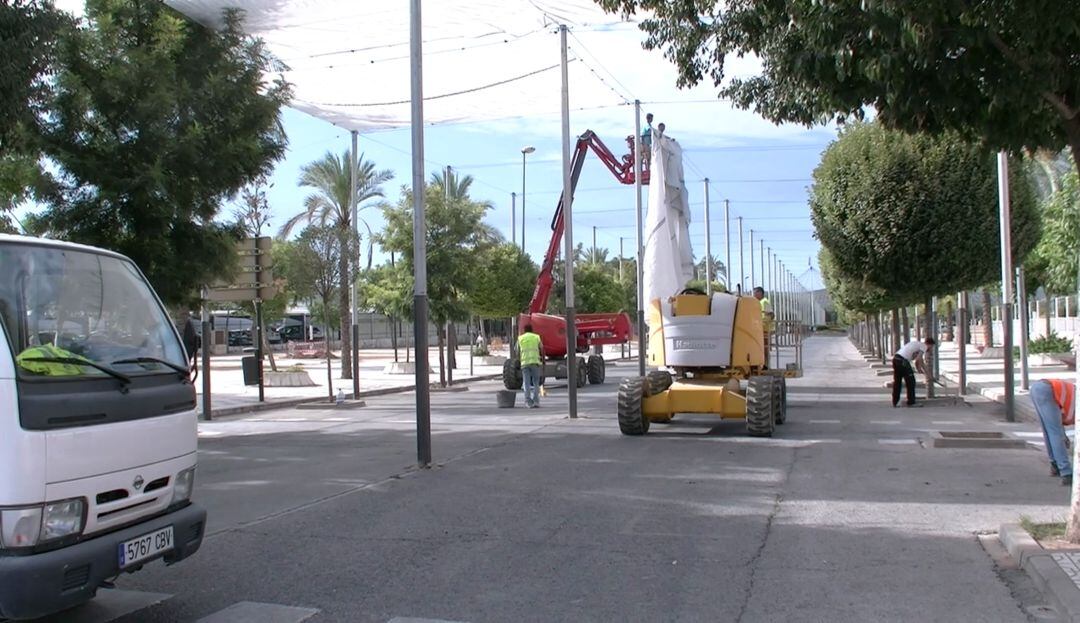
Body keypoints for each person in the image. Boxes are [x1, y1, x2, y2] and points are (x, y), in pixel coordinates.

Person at [1030, 379, 1075, 486]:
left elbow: (1060, 418)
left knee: (1048, 430)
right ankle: (1066, 472)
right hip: (1048, 390)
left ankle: (1055, 465)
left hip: (1038, 388)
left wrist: (1063, 435)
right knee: (1055, 432)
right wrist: (1062, 436)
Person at [892, 337, 935, 407]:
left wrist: (919, 369)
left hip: (896, 359)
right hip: (903, 361)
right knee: (911, 382)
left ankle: (895, 402)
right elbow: (919, 360)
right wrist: (928, 374)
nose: (931, 349)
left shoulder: (917, 344)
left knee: (897, 382)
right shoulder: (924, 346)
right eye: (932, 347)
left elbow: (917, 361)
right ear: (930, 344)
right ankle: (911, 402)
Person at [516, 323, 544, 408]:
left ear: (524, 330)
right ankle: (536, 401)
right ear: (532, 330)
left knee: (526, 383)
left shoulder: (520, 338)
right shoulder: (536, 337)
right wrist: (542, 359)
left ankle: (528, 402)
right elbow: (542, 348)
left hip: (525, 363)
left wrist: (519, 360)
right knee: (536, 382)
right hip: (535, 362)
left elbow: (517, 351)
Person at [753, 287, 774, 354]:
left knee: (764, 349)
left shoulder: (764, 302)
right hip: (761, 329)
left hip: (764, 329)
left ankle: (765, 363)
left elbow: (770, 315)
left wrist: (760, 324)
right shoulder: (760, 302)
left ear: (760, 293)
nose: (753, 295)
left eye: (755, 293)